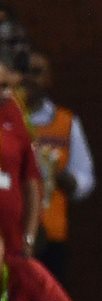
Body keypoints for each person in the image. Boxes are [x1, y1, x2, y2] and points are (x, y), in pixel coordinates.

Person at [23, 50, 97, 283]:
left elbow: (85, 180)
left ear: (48, 78)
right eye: (25, 71)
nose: (30, 79)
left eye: (37, 72)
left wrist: (62, 178)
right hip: (11, 232)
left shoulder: (65, 122)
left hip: (51, 234)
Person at [0, 51, 41, 258]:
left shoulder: (15, 115)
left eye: (7, 87)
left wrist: (29, 237)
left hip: (13, 244)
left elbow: (31, 183)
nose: (5, 93)